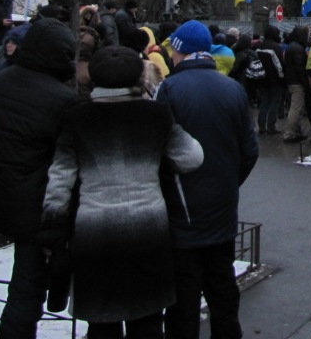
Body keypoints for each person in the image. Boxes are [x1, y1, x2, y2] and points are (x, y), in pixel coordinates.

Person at [43, 45, 204, 338]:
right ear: (136, 77)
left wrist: (54, 219)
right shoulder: (156, 115)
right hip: (148, 227)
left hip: (95, 230)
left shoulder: (76, 117)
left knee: (102, 323)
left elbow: (61, 176)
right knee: (147, 321)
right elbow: (192, 158)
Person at [156, 20, 259, 339]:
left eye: (173, 50)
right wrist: (228, 180)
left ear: (181, 50)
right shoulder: (232, 88)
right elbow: (250, 150)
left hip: (182, 208)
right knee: (222, 286)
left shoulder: (169, 89)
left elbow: (158, 149)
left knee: (183, 295)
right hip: (222, 206)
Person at [0, 18, 79, 338]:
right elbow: (65, 160)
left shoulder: (1, 81)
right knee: (27, 289)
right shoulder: (61, 99)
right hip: (35, 205)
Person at [282, 25, 311, 142]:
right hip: (297, 82)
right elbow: (300, 69)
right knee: (296, 108)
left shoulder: (291, 46)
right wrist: (306, 83)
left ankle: (296, 131)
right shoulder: (298, 49)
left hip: (291, 80)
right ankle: (290, 133)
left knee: (297, 107)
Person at [254, 26, 285, 135]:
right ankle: (271, 126)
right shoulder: (276, 47)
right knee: (274, 102)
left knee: (264, 102)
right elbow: (279, 65)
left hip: (262, 78)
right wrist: (282, 78)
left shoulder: (260, 46)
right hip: (275, 79)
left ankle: (261, 126)